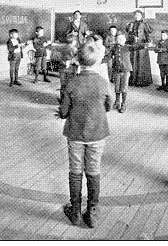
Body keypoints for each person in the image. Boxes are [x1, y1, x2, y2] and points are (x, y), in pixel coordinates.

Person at [58, 40, 115, 228]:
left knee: (75, 172)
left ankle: (75, 211)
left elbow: (64, 112)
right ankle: (92, 212)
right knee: (93, 170)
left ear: (77, 59)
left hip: (75, 133)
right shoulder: (103, 82)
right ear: (98, 60)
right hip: (97, 133)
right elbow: (109, 105)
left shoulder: (71, 83)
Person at [110, 31, 145, 113]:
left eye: (122, 39)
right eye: (118, 39)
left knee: (124, 88)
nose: (120, 40)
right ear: (116, 40)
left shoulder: (127, 47)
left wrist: (145, 45)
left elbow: (137, 47)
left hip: (126, 71)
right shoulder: (114, 48)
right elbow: (108, 56)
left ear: (125, 40)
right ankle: (117, 102)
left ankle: (123, 104)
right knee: (117, 87)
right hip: (116, 70)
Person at [126, 10, 153, 87]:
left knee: (141, 62)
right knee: (133, 62)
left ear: (141, 16)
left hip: (142, 46)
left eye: (139, 15)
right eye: (136, 15)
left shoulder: (145, 24)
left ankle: (141, 82)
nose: (137, 16)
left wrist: (149, 42)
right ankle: (133, 81)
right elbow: (129, 34)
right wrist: (133, 37)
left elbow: (148, 34)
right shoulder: (131, 24)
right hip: (134, 45)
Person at [58, 34, 79, 101]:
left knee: (63, 85)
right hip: (71, 69)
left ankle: (62, 99)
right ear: (73, 42)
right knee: (70, 85)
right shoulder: (74, 49)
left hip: (62, 69)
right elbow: (77, 60)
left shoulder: (62, 48)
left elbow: (60, 58)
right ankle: (69, 100)